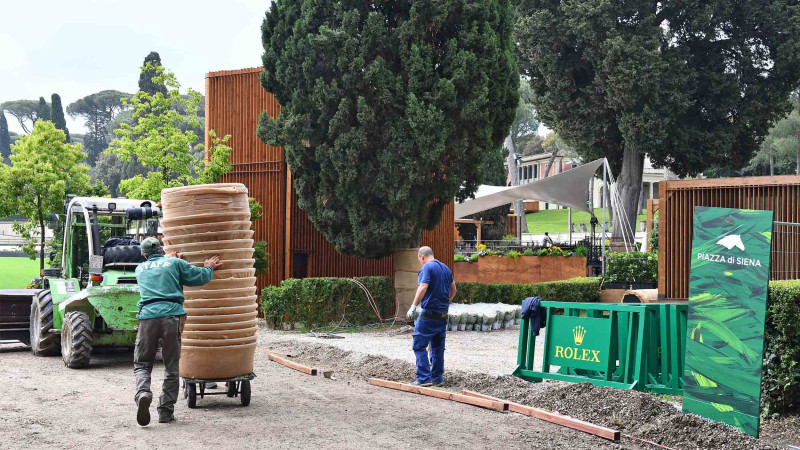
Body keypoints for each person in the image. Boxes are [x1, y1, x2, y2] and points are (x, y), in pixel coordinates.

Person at [133, 237, 222, 426]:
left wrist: (172, 261)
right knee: (171, 365)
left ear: (143, 254)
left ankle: (143, 393)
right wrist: (208, 267)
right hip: (171, 317)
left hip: (147, 317)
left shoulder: (139, 269)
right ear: (161, 250)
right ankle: (165, 412)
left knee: (142, 363)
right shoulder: (175, 263)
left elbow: (161, 269)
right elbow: (198, 277)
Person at [405, 246, 456, 387]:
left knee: (419, 345)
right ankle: (437, 379)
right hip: (442, 315)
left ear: (422, 257)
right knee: (438, 347)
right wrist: (444, 303)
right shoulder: (446, 268)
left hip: (429, 314)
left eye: (419, 259)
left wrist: (413, 306)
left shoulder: (427, 268)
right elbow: (454, 290)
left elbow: (423, 286)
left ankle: (423, 378)